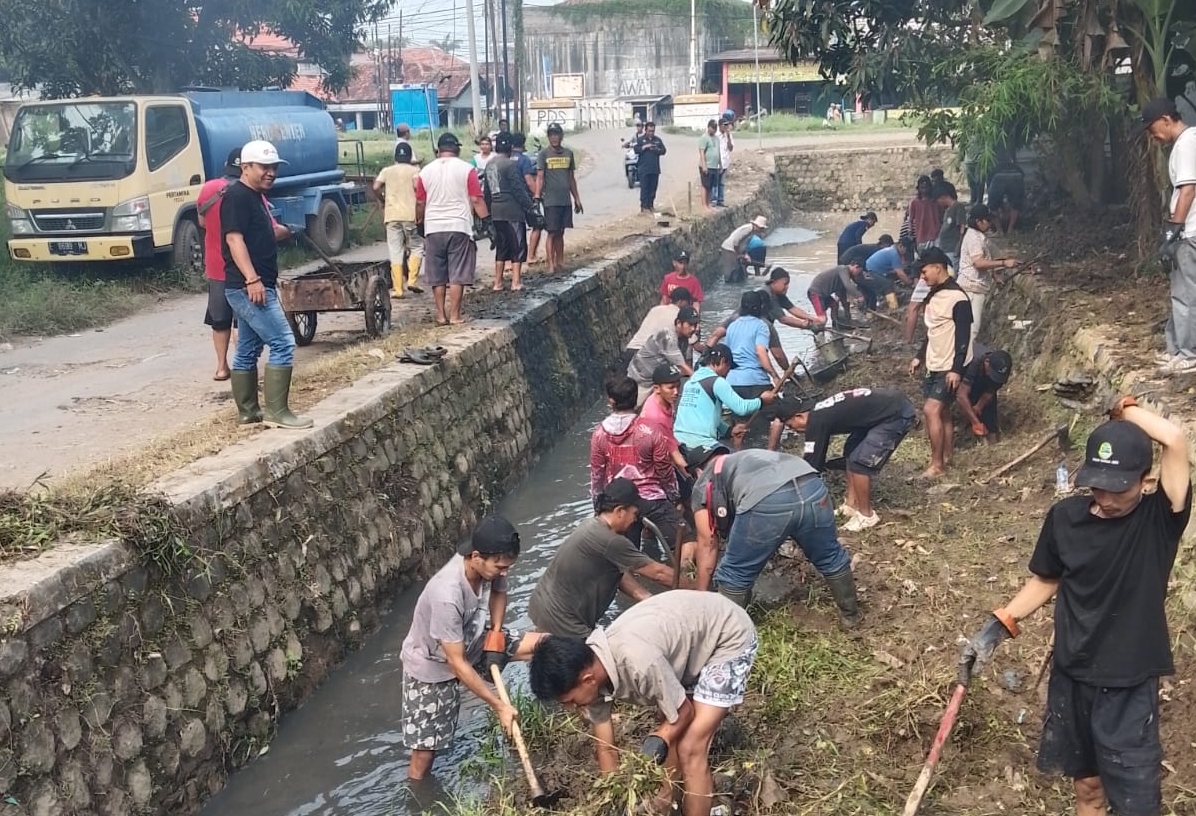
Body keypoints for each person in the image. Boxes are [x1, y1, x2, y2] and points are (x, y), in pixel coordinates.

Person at [959, 398, 1190, 816]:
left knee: (1137, 805)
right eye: (1097, 485)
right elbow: (1047, 579)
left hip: (1127, 684)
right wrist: (998, 625)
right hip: (1072, 674)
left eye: (1119, 488)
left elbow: (1174, 439)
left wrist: (1123, 409)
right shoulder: (1065, 518)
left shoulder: (1160, 519)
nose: (1106, 497)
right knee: (1087, 788)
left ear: (1147, 479)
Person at [528, 591, 757, 816]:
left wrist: (662, 736)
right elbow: (606, 747)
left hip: (726, 636)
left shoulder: (639, 662)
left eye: (570, 701)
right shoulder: (592, 670)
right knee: (669, 724)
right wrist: (614, 798)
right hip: (688, 644)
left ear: (588, 680)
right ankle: (666, 798)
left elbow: (683, 712)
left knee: (690, 746)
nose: (572, 708)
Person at [400, 516, 536, 780]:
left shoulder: (491, 567)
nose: (504, 572)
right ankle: (417, 794)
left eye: (508, 566)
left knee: (542, 645)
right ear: (475, 557)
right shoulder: (447, 595)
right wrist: (499, 706)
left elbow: (499, 591)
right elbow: (457, 663)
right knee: (425, 755)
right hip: (433, 666)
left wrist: (496, 633)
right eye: (500, 567)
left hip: (474, 638)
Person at [686, 445, 860, 625]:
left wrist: (701, 597)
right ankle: (851, 616)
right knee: (829, 555)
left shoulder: (704, 481)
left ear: (698, 471)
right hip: (812, 485)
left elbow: (708, 543)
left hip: (768, 499)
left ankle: (728, 632)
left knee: (735, 573)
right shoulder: (746, 456)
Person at [221, 140, 309, 429]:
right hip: (249, 286)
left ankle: (249, 412)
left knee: (248, 348)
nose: (270, 173)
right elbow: (234, 239)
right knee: (283, 342)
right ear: (245, 167)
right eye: (264, 167)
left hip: (257, 284)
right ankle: (277, 411)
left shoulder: (255, 196)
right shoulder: (237, 196)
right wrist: (252, 278)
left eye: (274, 167)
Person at [529, 478, 684, 639]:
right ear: (620, 511)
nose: (634, 520)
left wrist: (647, 598)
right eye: (634, 514)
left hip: (543, 606)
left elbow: (618, 572)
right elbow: (658, 573)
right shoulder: (611, 541)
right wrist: (696, 587)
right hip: (562, 621)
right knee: (600, 654)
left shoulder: (592, 525)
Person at [785, 388, 917, 531]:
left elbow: (813, 463)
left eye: (790, 426)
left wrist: (800, 489)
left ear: (799, 416)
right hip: (881, 409)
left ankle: (867, 516)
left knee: (859, 463)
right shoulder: (818, 412)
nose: (793, 430)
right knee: (851, 451)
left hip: (895, 413)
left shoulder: (816, 420)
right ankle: (851, 504)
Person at [590, 377, 683, 552]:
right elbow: (664, 469)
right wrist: (674, 497)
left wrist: (599, 506)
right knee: (685, 542)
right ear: (635, 398)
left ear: (611, 401)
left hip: (619, 505)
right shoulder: (650, 430)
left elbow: (597, 475)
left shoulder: (599, 434)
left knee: (623, 555)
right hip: (652, 501)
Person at [1137, 97, 1196, 375]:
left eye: (1152, 130)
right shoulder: (1184, 143)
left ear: (1166, 119)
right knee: (1180, 293)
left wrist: (1174, 229)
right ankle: (1178, 350)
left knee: (1188, 295)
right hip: (1185, 230)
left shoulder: (1186, 144)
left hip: (1190, 231)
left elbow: (1188, 190)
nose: (1153, 136)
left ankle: (1189, 353)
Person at [908, 247, 973, 479]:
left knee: (931, 410)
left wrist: (956, 369)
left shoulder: (958, 298)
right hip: (935, 362)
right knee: (942, 411)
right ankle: (946, 456)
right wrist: (920, 356)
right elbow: (932, 331)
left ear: (938, 268)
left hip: (950, 364)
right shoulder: (935, 294)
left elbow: (964, 336)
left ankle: (936, 466)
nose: (922, 276)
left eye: (924, 271)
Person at [416, 132, 490, 326]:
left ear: (438, 150)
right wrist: (488, 222)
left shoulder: (425, 171)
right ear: (457, 149)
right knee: (457, 273)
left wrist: (419, 223)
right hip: (459, 226)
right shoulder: (467, 169)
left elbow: (420, 202)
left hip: (433, 227)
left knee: (438, 275)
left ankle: (441, 316)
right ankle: (455, 315)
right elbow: (476, 199)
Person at [724, 291, 795, 451]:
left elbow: (727, 354)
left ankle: (739, 457)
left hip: (733, 382)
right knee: (779, 415)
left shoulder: (732, 326)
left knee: (740, 423)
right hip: (756, 381)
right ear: (761, 307)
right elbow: (760, 352)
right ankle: (770, 452)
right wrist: (774, 375)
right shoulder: (761, 325)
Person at [197, 148, 243, 383]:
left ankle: (222, 367)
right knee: (241, 319)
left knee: (219, 320)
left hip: (216, 265)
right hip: (243, 266)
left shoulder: (208, 189)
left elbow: (202, 221)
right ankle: (244, 368)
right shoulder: (248, 191)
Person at [674, 343, 774, 451]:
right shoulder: (717, 382)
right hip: (701, 443)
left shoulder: (690, 382)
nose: (728, 373)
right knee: (736, 458)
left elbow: (708, 416)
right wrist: (762, 401)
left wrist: (729, 431)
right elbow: (741, 408)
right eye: (728, 368)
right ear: (722, 361)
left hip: (678, 441)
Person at [957, 203, 1019, 343]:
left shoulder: (977, 235)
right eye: (988, 220)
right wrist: (1004, 263)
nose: (990, 223)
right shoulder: (974, 238)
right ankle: (963, 355)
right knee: (972, 330)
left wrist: (994, 275)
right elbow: (979, 263)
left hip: (972, 288)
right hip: (971, 289)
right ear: (978, 221)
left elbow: (983, 260)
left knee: (967, 329)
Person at [374, 141, 425, 298]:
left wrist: (382, 199)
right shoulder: (415, 171)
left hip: (392, 216)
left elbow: (375, 187)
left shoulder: (386, 171)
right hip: (410, 215)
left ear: (395, 157)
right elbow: (417, 187)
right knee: (417, 246)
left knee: (395, 250)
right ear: (410, 157)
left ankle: (398, 289)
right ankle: (412, 280)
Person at [485, 132, 533, 292]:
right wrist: (529, 206)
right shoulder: (510, 165)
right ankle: (516, 281)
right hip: (512, 211)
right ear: (511, 147)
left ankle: (498, 282)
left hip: (496, 211)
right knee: (517, 245)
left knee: (501, 246)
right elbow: (518, 189)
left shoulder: (490, 164)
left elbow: (487, 192)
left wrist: (489, 211)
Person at [627, 307, 701, 406]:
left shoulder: (684, 338)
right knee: (634, 409)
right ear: (679, 323)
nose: (694, 329)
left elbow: (680, 367)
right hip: (641, 378)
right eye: (690, 324)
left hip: (657, 379)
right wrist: (702, 382)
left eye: (695, 325)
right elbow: (682, 366)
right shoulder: (667, 337)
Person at [535, 122, 583, 275]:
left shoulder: (568, 153)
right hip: (551, 200)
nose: (554, 137)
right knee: (552, 232)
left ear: (561, 136)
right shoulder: (543, 154)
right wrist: (537, 196)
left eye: (556, 134)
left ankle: (560, 261)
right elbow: (540, 177)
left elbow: (571, 178)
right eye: (551, 135)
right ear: (548, 137)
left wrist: (577, 198)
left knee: (561, 231)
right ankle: (550, 264)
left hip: (565, 200)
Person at [622, 286, 694, 368]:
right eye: (688, 302)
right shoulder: (681, 317)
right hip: (648, 357)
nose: (689, 306)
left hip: (631, 351)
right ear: (680, 302)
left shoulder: (655, 309)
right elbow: (694, 343)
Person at [955, 345, 1012, 443]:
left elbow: (991, 391)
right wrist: (975, 422)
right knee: (966, 402)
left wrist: (978, 407)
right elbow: (961, 395)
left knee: (989, 407)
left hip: (982, 380)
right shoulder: (973, 361)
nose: (994, 376)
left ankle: (993, 440)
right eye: (992, 373)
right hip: (962, 375)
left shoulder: (1001, 371)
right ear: (987, 362)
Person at [512, 132, 542, 266]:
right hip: (525, 197)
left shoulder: (507, 158)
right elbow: (529, 181)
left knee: (513, 230)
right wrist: (537, 195)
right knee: (537, 224)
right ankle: (531, 256)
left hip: (511, 199)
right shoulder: (524, 160)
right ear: (523, 143)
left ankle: (510, 261)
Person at [807, 260, 864, 327]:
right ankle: (808, 324)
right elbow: (848, 285)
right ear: (856, 266)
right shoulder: (843, 269)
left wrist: (846, 310)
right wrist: (859, 296)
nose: (858, 274)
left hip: (824, 294)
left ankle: (836, 324)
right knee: (822, 319)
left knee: (834, 304)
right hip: (815, 293)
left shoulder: (843, 275)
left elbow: (842, 292)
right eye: (859, 271)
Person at [720, 216, 767, 283]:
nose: (761, 230)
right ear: (756, 225)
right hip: (729, 249)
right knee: (730, 275)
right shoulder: (748, 229)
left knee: (740, 275)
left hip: (735, 250)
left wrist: (745, 255)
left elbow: (744, 244)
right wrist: (739, 255)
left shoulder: (752, 232)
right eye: (761, 228)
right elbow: (735, 242)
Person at [987, 152, 1025, 235]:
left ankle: (999, 231)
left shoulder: (992, 165)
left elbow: (989, 189)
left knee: (992, 206)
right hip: (1017, 173)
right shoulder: (1013, 162)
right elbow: (1022, 175)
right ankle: (1010, 229)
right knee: (1016, 205)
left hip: (998, 174)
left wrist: (993, 201)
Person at [633, 121, 667, 213]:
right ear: (645, 130)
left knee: (653, 189)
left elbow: (663, 151)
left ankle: (650, 205)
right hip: (644, 169)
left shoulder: (657, 140)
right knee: (645, 188)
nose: (651, 133)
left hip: (654, 169)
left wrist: (656, 149)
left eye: (653, 131)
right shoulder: (640, 140)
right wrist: (644, 147)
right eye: (649, 131)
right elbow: (635, 149)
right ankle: (644, 207)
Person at [934, 182, 968, 270]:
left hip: (952, 249)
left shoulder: (958, 207)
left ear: (943, 196)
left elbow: (962, 228)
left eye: (938, 200)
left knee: (952, 272)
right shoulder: (947, 210)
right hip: (944, 248)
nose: (938, 203)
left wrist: (958, 247)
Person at [905, 174, 942, 254]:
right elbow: (910, 220)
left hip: (935, 236)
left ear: (930, 188)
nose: (924, 190)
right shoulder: (914, 202)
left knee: (936, 257)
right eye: (922, 188)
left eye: (926, 187)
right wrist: (910, 232)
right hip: (921, 236)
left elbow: (940, 217)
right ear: (918, 189)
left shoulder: (935, 202)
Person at [697, 119, 721, 210]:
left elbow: (718, 151)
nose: (714, 130)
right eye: (713, 128)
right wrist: (704, 165)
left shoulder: (716, 138)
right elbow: (701, 152)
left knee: (711, 186)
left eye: (715, 128)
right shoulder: (704, 138)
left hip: (714, 166)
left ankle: (709, 204)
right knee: (705, 185)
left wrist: (720, 164)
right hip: (707, 165)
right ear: (708, 127)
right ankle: (704, 205)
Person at [713, 118, 734, 207]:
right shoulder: (715, 136)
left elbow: (731, 148)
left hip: (725, 162)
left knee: (721, 183)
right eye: (724, 125)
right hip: (717, 163)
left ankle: (720, 200)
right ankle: (714, 201)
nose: (726, 127)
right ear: (720, 126)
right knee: (715, 183)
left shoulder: (728, 135)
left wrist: (728, 136)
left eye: (727, 125)